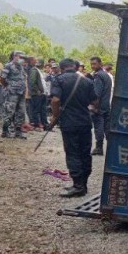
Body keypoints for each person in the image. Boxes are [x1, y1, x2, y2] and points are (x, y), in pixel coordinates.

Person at [50, 58, 98, 197]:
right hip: (85, 122)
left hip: (69, 123)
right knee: (85, 153)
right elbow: (95, 102)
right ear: (75, 67)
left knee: (72, 153)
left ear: (61, 67)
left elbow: (56, 100)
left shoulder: (59, 79)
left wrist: (55, 116)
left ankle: (77, 186)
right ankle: (84, 184)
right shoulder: (87, 81)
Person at [1, 51, 28, 139]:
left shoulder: (22, 67)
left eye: (22, 57)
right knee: (9, 111)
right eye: (19, 57)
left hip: (21, 93)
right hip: (12, 93)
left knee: (21, 112)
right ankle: (5, 131)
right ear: (14, 56)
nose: (21, 59)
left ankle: (18, 131)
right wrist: (8, 86)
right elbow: (2, 78)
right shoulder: (8, 65)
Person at [89, 56, 113, 155]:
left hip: (99, 107)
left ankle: (99, 148)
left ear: (100, 64)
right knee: (107, 128)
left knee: (99, 127)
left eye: (94, 64)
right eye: (91, 64)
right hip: (106, 105)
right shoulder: (107, 75)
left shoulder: (98, 76)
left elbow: (97, 94)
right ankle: (112, 148)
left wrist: (94, 107)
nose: (92, 66)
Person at [26, 56, 46, 131]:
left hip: (42, 93)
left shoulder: (39, 70)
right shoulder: (34, 70)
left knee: (42, 109)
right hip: (37, 93)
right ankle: (36, 124)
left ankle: (43, 124)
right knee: (36, 110)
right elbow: (32, 82)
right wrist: (37, 91)